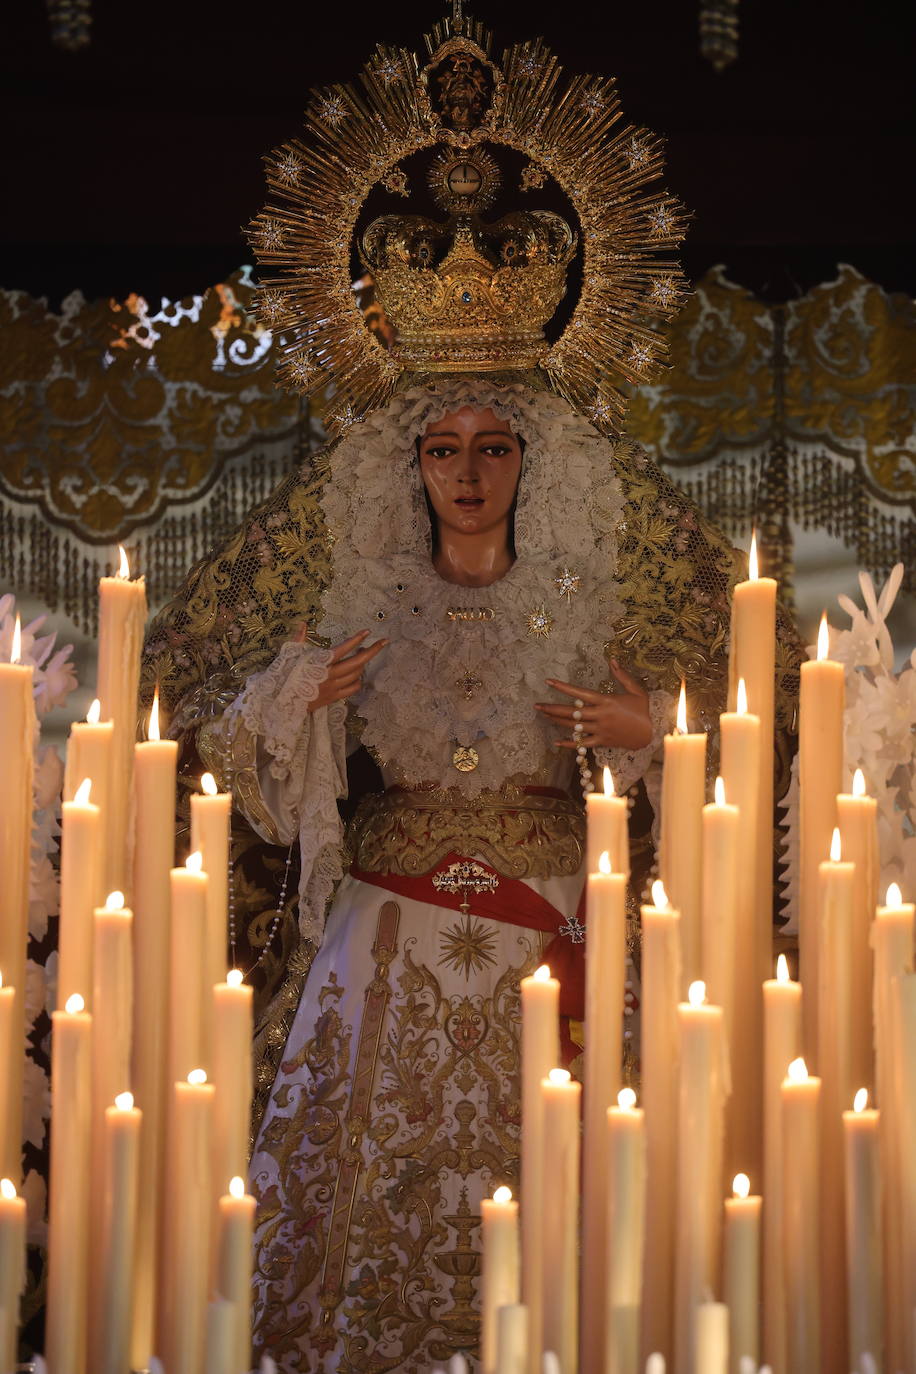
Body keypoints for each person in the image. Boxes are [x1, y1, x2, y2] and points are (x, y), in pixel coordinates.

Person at [141, 13, 801, 1369]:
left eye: (495, 444)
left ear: (532, 464)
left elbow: (738, 763)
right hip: (380, 944)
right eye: (442, 445)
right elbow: (214, 744)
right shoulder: (358, 615)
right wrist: (297, 698)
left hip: (549, 940)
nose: (467, 469)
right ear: (411, 466)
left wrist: (650, 740)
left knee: (573, 1226)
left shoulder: (590, 613)